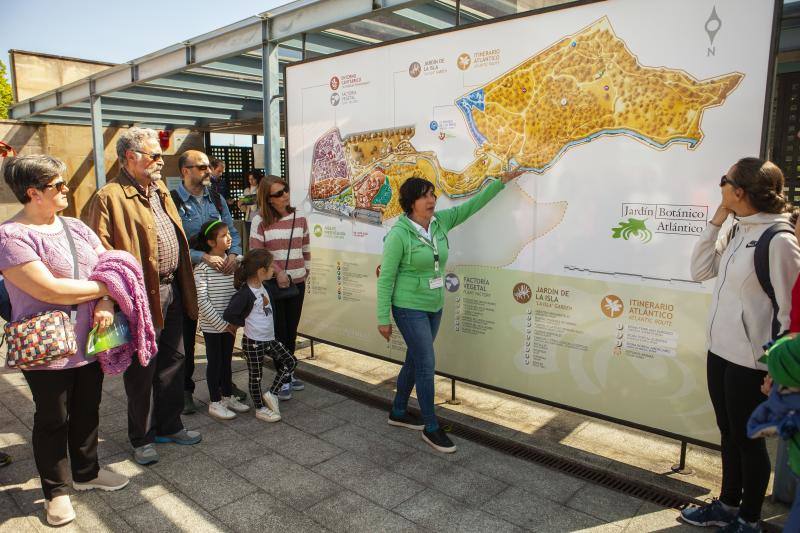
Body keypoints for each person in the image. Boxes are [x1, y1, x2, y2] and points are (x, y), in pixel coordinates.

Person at [0, 155, 129, 526]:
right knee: (53, 417)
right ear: (33, 193)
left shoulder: (77, 227)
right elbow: (51, 290)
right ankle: (55, 491)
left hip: (91, 338)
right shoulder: (12, 237)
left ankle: (87, 473)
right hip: (47, 347)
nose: (66, 190)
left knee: (88, 408)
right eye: (58, 185)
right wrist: (107, 287)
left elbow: (109, 265)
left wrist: (106, 298)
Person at [682, 158, 800, 532]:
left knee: (748, 440)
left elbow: (791, 313)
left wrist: (778, 370)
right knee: (728, 431)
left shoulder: (779, 240)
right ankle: (728, 504)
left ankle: (749, 519)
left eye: (724, 181)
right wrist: (717, 220)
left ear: (739, 191)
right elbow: (700, 270)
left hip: (753, 363)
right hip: (720, 351)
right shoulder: (737, 227)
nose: (720, 186)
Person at [377, 169, 524, 453]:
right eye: (425, 196)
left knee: (415, 358)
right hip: (408, 307)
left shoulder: (440, 223)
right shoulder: (399, 234)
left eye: (432, 194)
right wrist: (383, 318)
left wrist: (500, 183)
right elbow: (386, 278)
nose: (432, 200)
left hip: (434, 305)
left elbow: (472, 206)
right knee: (426, 364)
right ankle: (431, 427)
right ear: (411, 202)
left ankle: (398, 411)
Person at [84, 127, 202, 466]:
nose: (160, 161)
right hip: (140, 298)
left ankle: (170, 424)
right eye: (154, 155)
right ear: (130, 157)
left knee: (175, 360)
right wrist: (107, 299)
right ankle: (142, 437)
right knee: (142, 369)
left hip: (173, 289)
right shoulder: (109, 197)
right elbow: (97, 253)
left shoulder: (160, 188)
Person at [172, 150, 244, 414]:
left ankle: (225, 386)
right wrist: (200, 256)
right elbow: (172, 245)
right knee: (187, 337)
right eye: (201, 167)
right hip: (187, 279)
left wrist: (234, 254)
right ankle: (184, 390)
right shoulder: (173, 201)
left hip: (221, 278)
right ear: (185, 171)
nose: (207, 171)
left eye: (208, 167)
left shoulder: (216, 197)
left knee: (225, 334)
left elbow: (232, 231)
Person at [249, 175, 310, 399]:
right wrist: (278, 271)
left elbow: (306, 245)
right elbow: (257, 253)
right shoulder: (260, 220)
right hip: (273, 284)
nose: (285, 195)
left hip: (297, 283)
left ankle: (288, 372)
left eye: (285, 189)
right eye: (278, 193)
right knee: (278, 332)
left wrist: (306, 271)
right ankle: (282, 376)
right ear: (268, 198)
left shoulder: (299, 215)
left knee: (291, 330)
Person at [223, 249, 296, 423]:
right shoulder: (245, 293)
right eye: (271, 267)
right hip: (253, 342)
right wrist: (241, 322)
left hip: (269, 339)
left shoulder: (265, 286)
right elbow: (229, 314)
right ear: (260, 271)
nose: (274, 270)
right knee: (256, 376)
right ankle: (259, 408)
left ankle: (272, 393)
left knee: (290, 361)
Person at [190, 220, 249, 420]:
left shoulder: (232, 263)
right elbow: (202, 302)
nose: (229, 237)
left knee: (227, 361)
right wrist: (222, 325)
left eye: (228, 233)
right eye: (223, 235)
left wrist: (233, 323)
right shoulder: (202, 269)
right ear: (210, 242)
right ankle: (215, 401)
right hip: (213, 326)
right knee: (215, 362)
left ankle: (227, 395)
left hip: (230, 325)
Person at [238, 170, 261, 245]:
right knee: (250, 238)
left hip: (259, 217)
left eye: (253, 179)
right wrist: (241, 204)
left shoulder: (260, 189)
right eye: (249, 179)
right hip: (248, 218)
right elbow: (244, 205)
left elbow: (256, 199)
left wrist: (245, 200)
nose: (251, 181)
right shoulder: (246, 190)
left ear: (257, 179)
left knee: (259, 237)